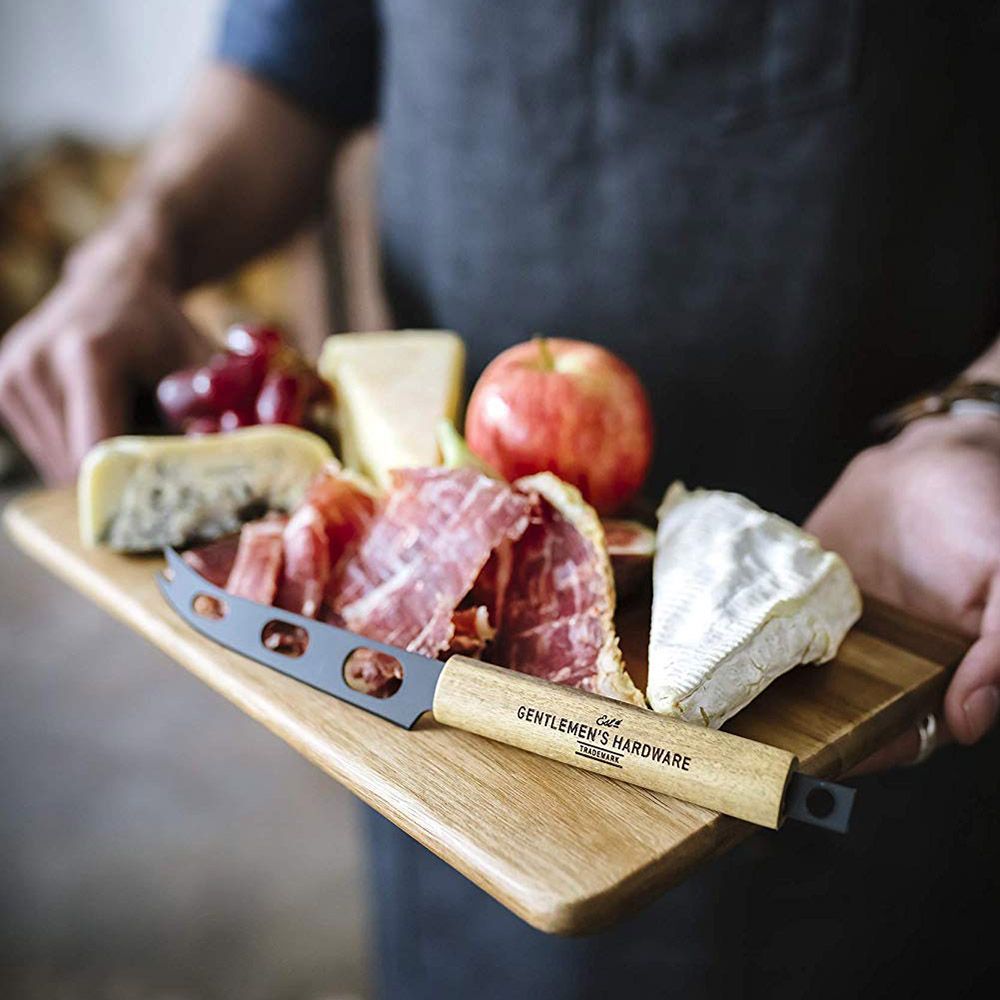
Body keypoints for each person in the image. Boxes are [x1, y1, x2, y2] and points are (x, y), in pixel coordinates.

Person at [1, 1, 997, 996]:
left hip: (881, 611)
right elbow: (296, 48)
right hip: (451, 667)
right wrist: (139, 238)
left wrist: (982, 415)